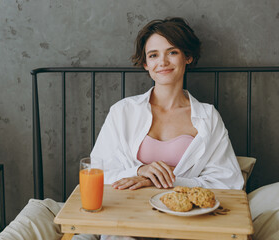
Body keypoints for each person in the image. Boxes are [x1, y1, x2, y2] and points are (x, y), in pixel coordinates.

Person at [91, 17, 244, 193]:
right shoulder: (123, 111)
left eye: (172, 52)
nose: (162, 62)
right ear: (146, 64)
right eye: (153, 55)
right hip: (127, 209)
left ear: (188, 57)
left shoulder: (208, 116)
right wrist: (140, 171)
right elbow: (96, 171)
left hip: (185, 214)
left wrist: (169, 181)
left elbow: (228, 182)